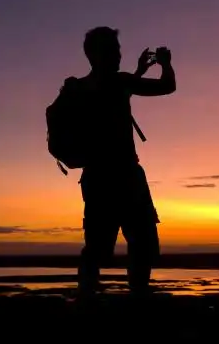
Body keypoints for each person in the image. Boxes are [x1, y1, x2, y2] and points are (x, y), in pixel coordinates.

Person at [72, 26, 176, 299]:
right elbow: (168, 86)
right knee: (142, 245)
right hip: (126, 178)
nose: (119, 55)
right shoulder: (120, 83)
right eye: (114, 50)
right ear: (99, 54)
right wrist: (165, 64)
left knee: (96, 249)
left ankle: (85, 300)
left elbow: (113, 99)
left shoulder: (80, 89)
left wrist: (137, 72)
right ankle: (138, 299)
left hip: (95, 180)